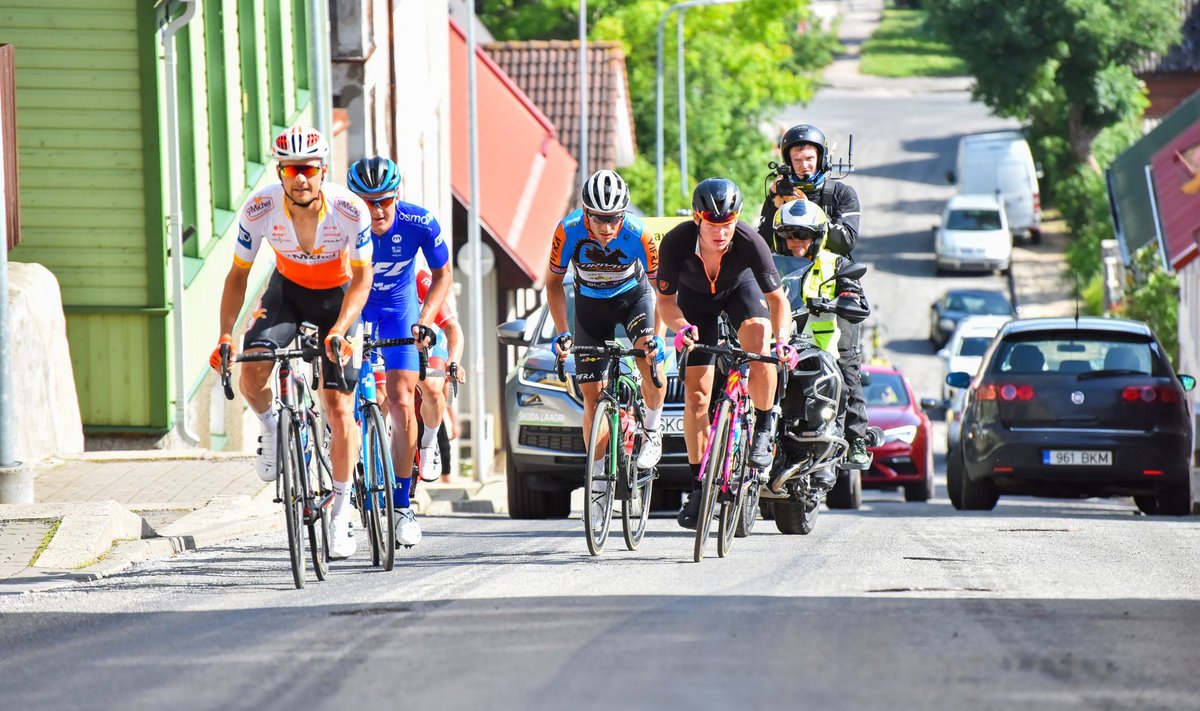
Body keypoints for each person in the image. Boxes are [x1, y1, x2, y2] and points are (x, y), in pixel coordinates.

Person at [210, 125, 372, 560]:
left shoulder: (350, 210)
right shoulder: (260, 208)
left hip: (337, 301)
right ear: (280, 173)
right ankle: (271, 428)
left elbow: (362, 279)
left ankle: (340, 515)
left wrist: (340, 330)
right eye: (290, 169)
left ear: (322, 169)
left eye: (307, 168)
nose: (300, 177)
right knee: (251, 370)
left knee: (338, 408)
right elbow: (238, 276)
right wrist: (226, 334)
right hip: (287, 294)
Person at [655, 177, 793, 529]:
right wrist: (682, 327)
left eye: (727, 224)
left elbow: (778, 301)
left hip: (739, 292)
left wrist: (782, 341)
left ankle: (763, 425)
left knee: (759, 340)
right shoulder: (676, 242)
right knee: (696, 396)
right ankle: (699, 488)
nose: (721, 233)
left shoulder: (750, 241)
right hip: (695, 301)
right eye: (713, 225)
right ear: (698, 219)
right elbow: (665, 303)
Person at [545, 169, 667, 522]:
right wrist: (563, 330)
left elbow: (661, 288)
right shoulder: (567, 231)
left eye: (614, 218)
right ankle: (598, 485)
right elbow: (553, 284)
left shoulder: (639, 233)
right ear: (585, 213)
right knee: (592, 396)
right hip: (590, 307)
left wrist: (656, 337)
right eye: (598, 218)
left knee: (647, 353)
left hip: (634, 300)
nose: (607, 227)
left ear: (624, 214)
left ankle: (652, 430)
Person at [346, 155, 451, 548]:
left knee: (402, 400)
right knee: (337, 404)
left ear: (396, 197)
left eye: (383, 201)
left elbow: (443, 274)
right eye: (365, 202)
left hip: (398, 312)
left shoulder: (419, 222)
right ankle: (340, 485)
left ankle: (403, 503)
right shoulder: (339, 223)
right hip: (354, 309)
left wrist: (425, 319)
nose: (374, 210)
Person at [757, 123, 871, 469]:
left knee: (846, 358)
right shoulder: (779, 191)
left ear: (821, 157)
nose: (804, 164)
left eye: (809, 157)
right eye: (797, 158)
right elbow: (763, 243)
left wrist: (806, 207)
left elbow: (846, 241)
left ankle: (856, 439)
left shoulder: (842, 194)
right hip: (787, 289)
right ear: (787, 161)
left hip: (832, 284)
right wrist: (778, 205)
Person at [770, 200, 870, 490]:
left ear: (817, 236)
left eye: (803, 235)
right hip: (778, 347)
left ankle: (851, 442)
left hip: (819, 350)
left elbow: (857, 297)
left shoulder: (834, 264)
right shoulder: (768, 266)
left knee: (845, 377)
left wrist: (844, 299)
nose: (796, 242)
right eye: (789, 234)